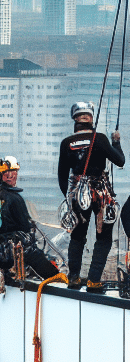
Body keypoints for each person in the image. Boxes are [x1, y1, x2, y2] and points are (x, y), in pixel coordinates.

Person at [57, 101, 124, 291]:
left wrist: (70, 200)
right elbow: (120, 161)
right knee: (104, 238)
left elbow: (62, 176)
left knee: (78, 237)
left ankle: (74, 278)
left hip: (78, 193)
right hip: (101, 193)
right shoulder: (100, 139)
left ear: (75, 119)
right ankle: (94, 280)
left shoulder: (66, 143)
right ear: (91, 118)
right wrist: (116, 142)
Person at [0, 156, 59, 282]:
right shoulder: (15, 198)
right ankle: (55, 277)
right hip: (13, 254)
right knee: (32, 251)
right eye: (7, 173)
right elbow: (25, 226)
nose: (10, 176)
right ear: (1, 174)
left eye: (12, 172)